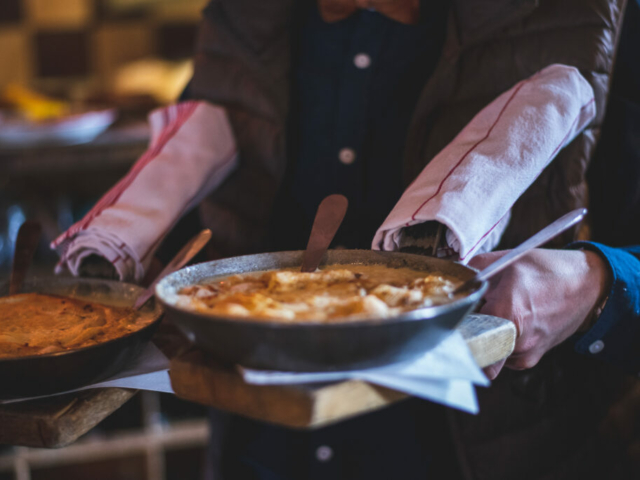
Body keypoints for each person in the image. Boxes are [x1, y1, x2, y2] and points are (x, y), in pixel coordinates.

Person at [51, 0, 635, 479]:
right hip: (257, 450)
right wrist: (121, 245)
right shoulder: (241, 18)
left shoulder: (586, 21)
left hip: (484, 450)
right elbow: (211, 196)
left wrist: (596, 281)